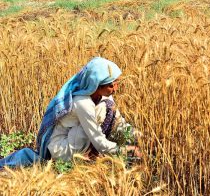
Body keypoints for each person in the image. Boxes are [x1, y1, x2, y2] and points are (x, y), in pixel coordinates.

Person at [0, 57, 140, 168]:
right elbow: (98, 140)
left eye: (117, 83)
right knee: (104, 109)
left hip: (75, 137)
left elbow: (119, 120)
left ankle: (90, 153)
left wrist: (137, 136)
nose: (115, 88)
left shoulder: (104, 96)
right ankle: (86, 156)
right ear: (96, 85)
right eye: (111, 85)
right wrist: (127, 151)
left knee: (108, 107)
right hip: (61, 148)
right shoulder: (82, 103)